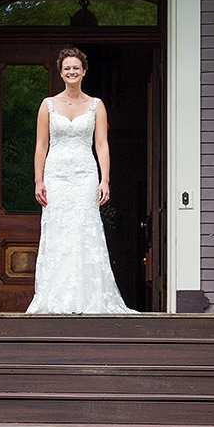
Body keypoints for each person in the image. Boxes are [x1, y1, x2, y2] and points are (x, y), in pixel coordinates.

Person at [27, 47, 134, 314]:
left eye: (76, 67)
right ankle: (56, 298)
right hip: (56, 176)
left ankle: (88, 298)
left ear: (84, 71)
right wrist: (38, 180)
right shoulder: (48, 105)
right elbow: (41, 144)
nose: (72, 72)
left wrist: (105, 179)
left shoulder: (96, 105)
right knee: (58, 232)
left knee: (85, 230)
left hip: (86, 174)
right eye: (67, 68)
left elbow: (102, 144)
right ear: (61, 73)